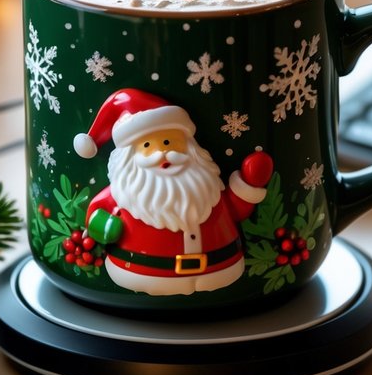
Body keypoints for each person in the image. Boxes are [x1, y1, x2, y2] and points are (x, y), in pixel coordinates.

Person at [73, 88, 273, 296]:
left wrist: (249, 184)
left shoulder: (206, 188)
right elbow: (97, 214)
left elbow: (234, 209)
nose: (162, 153)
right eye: (148, 145)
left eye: (168, 142)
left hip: (217, 267)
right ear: (128, 157)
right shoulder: (126, 193)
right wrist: (102, 227)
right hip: (144, 271)